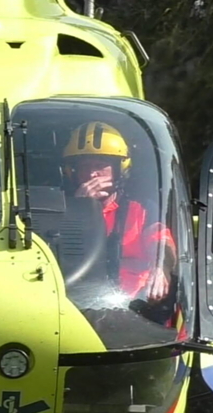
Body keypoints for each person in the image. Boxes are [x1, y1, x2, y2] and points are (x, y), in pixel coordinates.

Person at [62, 122, 176, 302]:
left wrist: (161, 268)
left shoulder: (141, 209)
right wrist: (81, 209)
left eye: (100, 166)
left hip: (136, 306)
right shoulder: (62, 212)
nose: (92, 175)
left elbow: (162, 242)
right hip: (77, 305)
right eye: (85, 167)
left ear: (119, 170)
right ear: (72, 172)